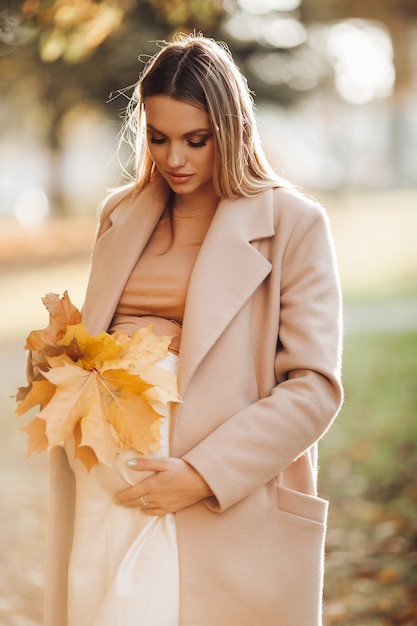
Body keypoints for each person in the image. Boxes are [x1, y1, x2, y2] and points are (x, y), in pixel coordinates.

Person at [45, 34, 343, 626]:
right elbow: (96, 336)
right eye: (158, 138)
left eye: (195, 140)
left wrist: (203, 475)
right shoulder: (121, 213)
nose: (174, 158)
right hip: (107, 485)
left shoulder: (294, 224)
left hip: (217, 496)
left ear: (230, 130)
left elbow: (313, 387)